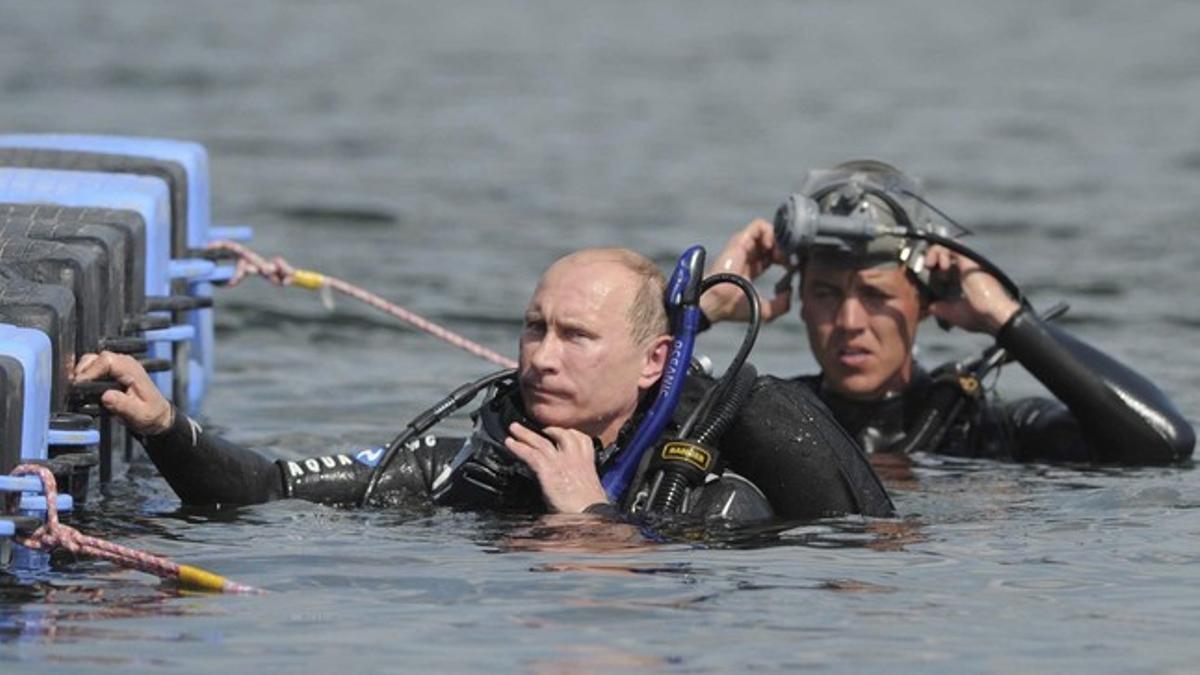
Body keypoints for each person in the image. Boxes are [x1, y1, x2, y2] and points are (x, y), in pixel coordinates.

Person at [74, 247, 894, 521]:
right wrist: (163, 424)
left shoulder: (717, 498)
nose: (542, 356)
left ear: (653, 361)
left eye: (576, 336)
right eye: (536, 327)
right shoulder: (472, 462)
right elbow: (265, 489)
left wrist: (590, 516)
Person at [702, 160, 1194, 467]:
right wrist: (704, 309)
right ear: (800, 302)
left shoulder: (982, 432)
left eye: (877, 296)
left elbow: (1162, 445)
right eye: (828, 295)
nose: (850, 322)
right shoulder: (765, 418)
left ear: (924, 303)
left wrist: (1008, 320)